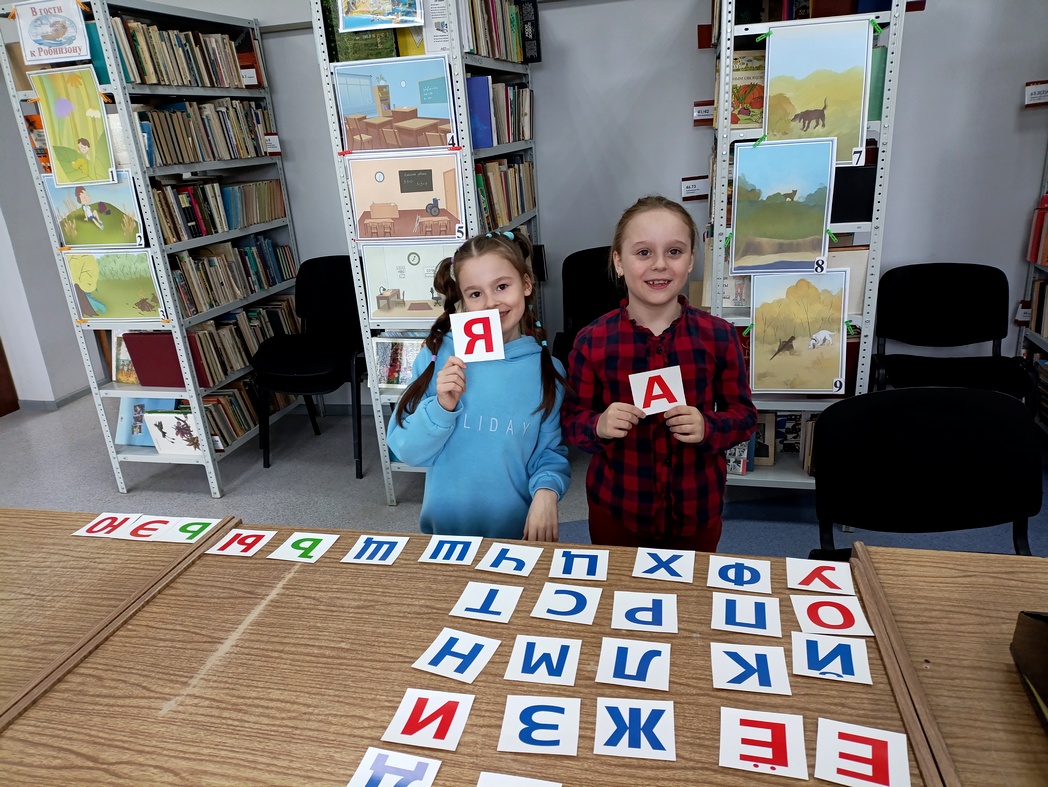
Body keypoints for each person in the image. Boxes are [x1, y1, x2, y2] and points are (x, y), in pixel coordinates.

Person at [561, 195, 757, 551]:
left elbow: (744, 416)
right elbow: (572, 420)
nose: (660, 265)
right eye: (643, 252)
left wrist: (708, 426)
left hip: (697, 508)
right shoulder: (592, 341)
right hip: (618, 509)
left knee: (692, 586)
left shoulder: (719, 336)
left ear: (691, 260)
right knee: (618, 583)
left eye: (674, 251)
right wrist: (599, 425)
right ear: (619, 262)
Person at [387, 230, 571, 541]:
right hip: (444, 533)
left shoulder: (547, 372)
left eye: (502, 286)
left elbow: (548, 452)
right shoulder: (439, 355)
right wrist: (441, 407)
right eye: (475, 294)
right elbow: (407, 451)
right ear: (462, 299)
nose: (490, 303)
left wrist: (547, 491)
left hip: (514, 534)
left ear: (526, 284)